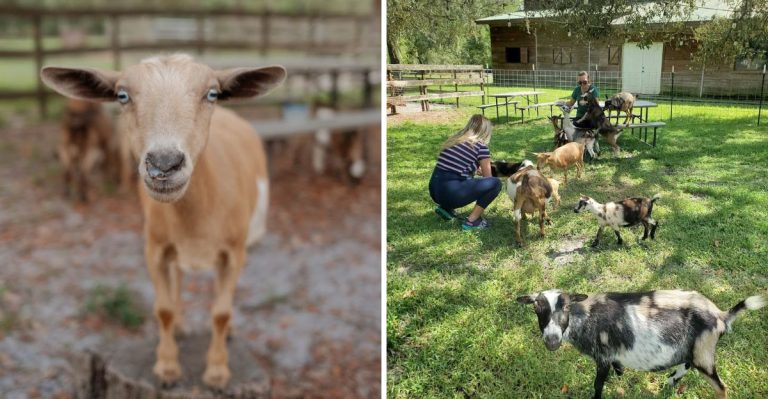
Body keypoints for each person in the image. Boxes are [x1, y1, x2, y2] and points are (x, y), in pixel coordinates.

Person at [428, 114, 501, 231]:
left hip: (435, 191)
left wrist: (473, 170)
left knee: (456, 180)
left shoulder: (454, 140)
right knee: (495, 183)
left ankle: (446, 208)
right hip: (451, 193)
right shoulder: (481, 147)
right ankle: (472, 221)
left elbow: (454, 166)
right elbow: (488, 178)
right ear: (485, 131)